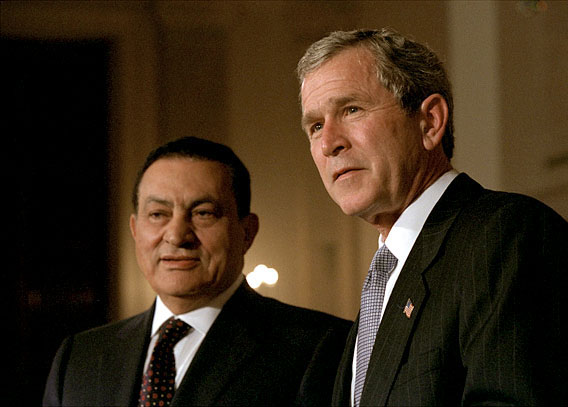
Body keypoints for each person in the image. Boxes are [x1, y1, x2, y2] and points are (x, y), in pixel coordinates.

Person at [297, 28, 568, 406]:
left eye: (351, 109)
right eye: (315, 125)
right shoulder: (384, 278)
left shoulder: (505, 236)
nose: (329, 142)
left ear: (430, 122)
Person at [43, 136, 351, 406]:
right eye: (158, 214)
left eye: (203, 213)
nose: (177, 235)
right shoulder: (80, 357)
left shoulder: (320, 348)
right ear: (135, 230)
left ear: (247, 232)